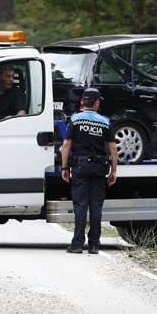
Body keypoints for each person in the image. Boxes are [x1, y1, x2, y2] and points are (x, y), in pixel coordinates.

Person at [60, 88, 117, 254]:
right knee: (96, 206)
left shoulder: (76, 120)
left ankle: (77, 244)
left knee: (80, 206)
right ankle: (94, 245)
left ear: (83, 102)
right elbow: (113, 150)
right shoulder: (105, 122)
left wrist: (64, 167)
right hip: (99, 168)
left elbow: (66, 145)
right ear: (97, 102)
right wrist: (113, 171)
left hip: (80, 167)